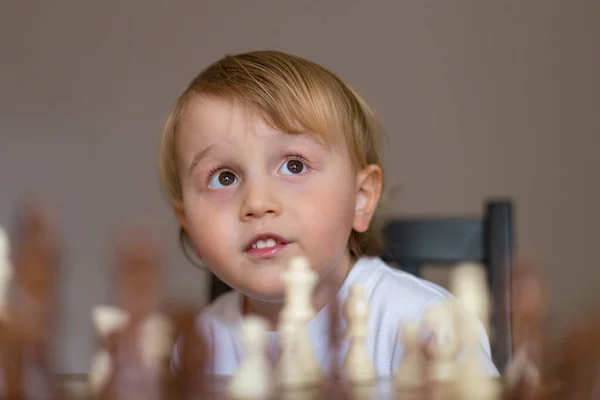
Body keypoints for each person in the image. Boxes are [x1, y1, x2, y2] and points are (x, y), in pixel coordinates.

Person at [158, 50, 497, 377]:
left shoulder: (425, 323)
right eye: (224, 177)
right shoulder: (198, 345)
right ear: (189, 227)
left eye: (294, 165)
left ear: (361, 199)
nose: (257, 202)